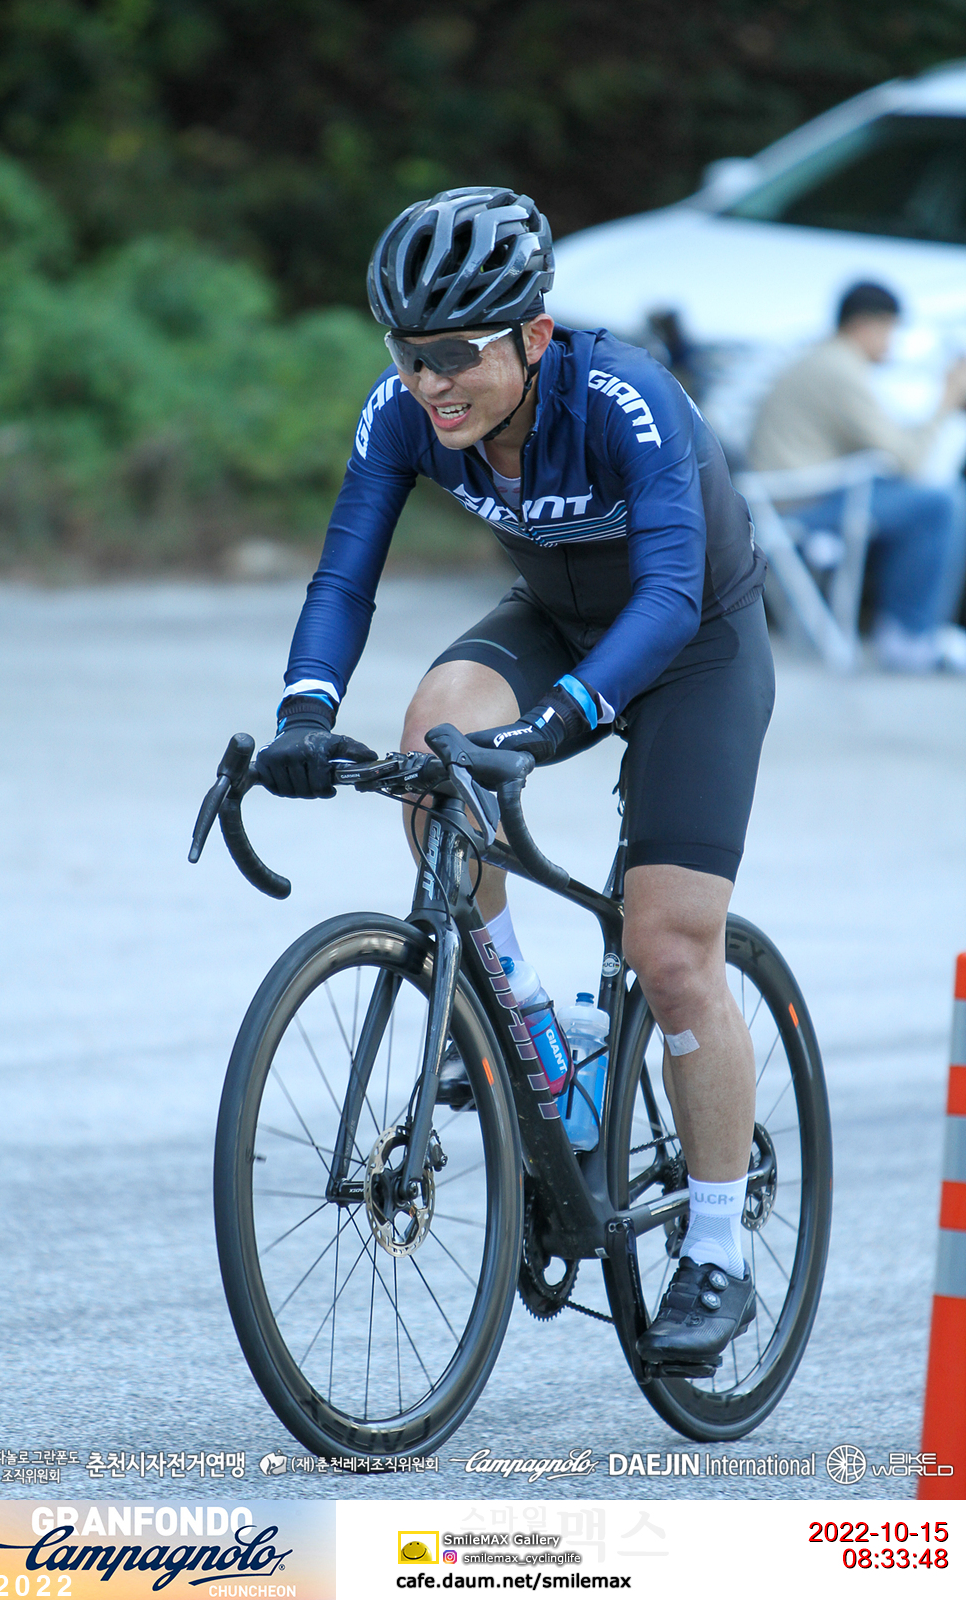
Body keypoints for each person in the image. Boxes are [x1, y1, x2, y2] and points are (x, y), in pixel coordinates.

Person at [253, 187, 775, 1368]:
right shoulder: (402, 412)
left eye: (455, 353)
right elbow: (344, 576)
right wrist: (303, 712)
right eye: (408, 352)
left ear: (534, 335)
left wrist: (556, 723)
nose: (429, 380)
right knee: (432, 740)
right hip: (554, 615)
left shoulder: (626, 398)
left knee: (669, 949)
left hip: (695, 641)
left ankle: (715, 1250)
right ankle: (526, 1018)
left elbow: (670, 594)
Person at [748, 281, 966, 671]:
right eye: (890, 331)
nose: (892, 344)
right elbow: (908, 459)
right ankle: (912, 635)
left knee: (925, 499)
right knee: (940, 503)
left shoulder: (824, 360)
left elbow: (890, 446)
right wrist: (948, 398)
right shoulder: (839, 368)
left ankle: (909, 629)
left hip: (799, 494)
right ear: (865, 325)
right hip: (801, 504)